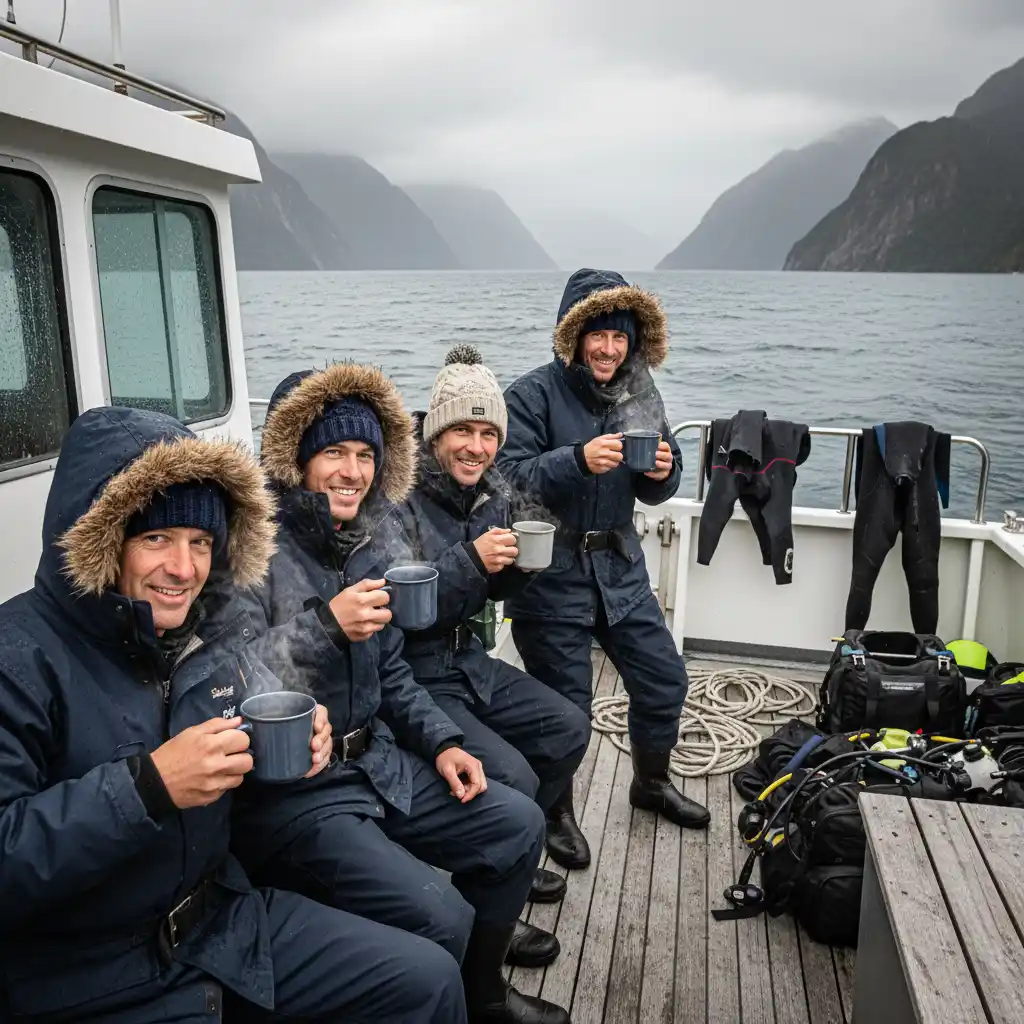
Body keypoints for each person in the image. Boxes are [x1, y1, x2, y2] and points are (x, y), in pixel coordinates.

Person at [0, 406, 466, 1024]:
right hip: (90, 973)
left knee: (429, 981)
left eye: (199, 543)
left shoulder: (205, 635)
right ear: (101, 541)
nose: (183, 569)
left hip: (223, 924)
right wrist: (149, 787)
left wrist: (303, 747)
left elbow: (255, 711)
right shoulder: (20, 656)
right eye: (155, 539)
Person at [236, 362, 571, 1024]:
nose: (352, 471)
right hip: (299, 795)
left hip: (377, 760)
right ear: (293, 459)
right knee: (438, 915)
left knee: (518, 823)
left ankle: (483, 997)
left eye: (364, 455)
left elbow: (390, 672)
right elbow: (233, 676)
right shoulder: (251, 553)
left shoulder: (362, 546)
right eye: (333, 452)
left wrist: (443, 742)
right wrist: (328, 626)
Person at [353, 343, 591, 906]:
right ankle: (495, 870)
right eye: (464, 432)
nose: (477, 448)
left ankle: (516, 847)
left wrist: (519, 572)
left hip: (469, 660)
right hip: (416, 669)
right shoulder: (397, 500)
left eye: (489, 436)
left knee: (568, 728)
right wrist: (472, 562)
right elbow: (399, 608)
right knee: (516, 776)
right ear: (436, 435)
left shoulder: (489, 494)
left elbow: (490, 585)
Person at [496, 268, 712, 870]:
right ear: (573, 336)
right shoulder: (532, 395)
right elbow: (505, 482)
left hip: (618, 569)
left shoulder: (641, 395)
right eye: (599, 336)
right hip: (549, 575)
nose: (610, 350)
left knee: (665, 678)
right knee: (567, 712)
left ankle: (649, 783)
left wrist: (662, 471)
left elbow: (658, 492)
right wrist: (576, 460)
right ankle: (557, 815)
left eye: (620, 338)